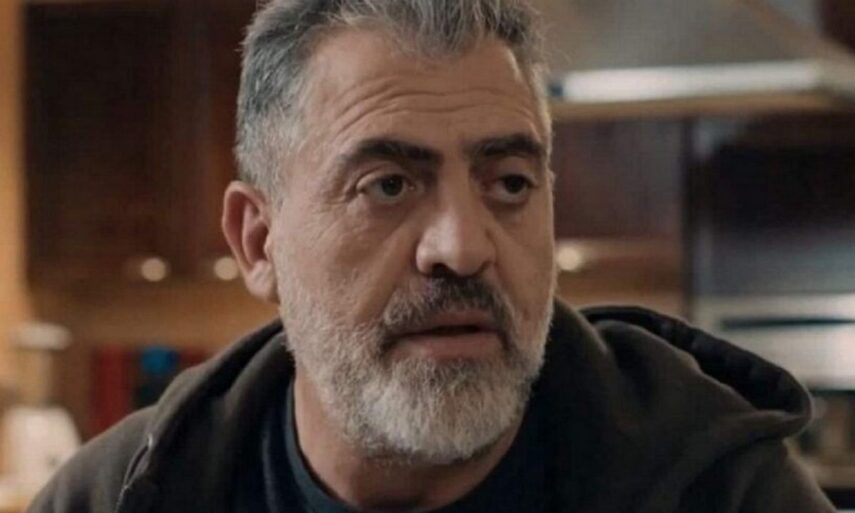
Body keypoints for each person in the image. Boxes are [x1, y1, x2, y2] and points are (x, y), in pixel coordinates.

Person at [29, 1, 834, 512]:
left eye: (508, 182)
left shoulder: (720, 487)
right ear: (257, 240)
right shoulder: (114, 496)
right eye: (387, 185)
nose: (462, 246)